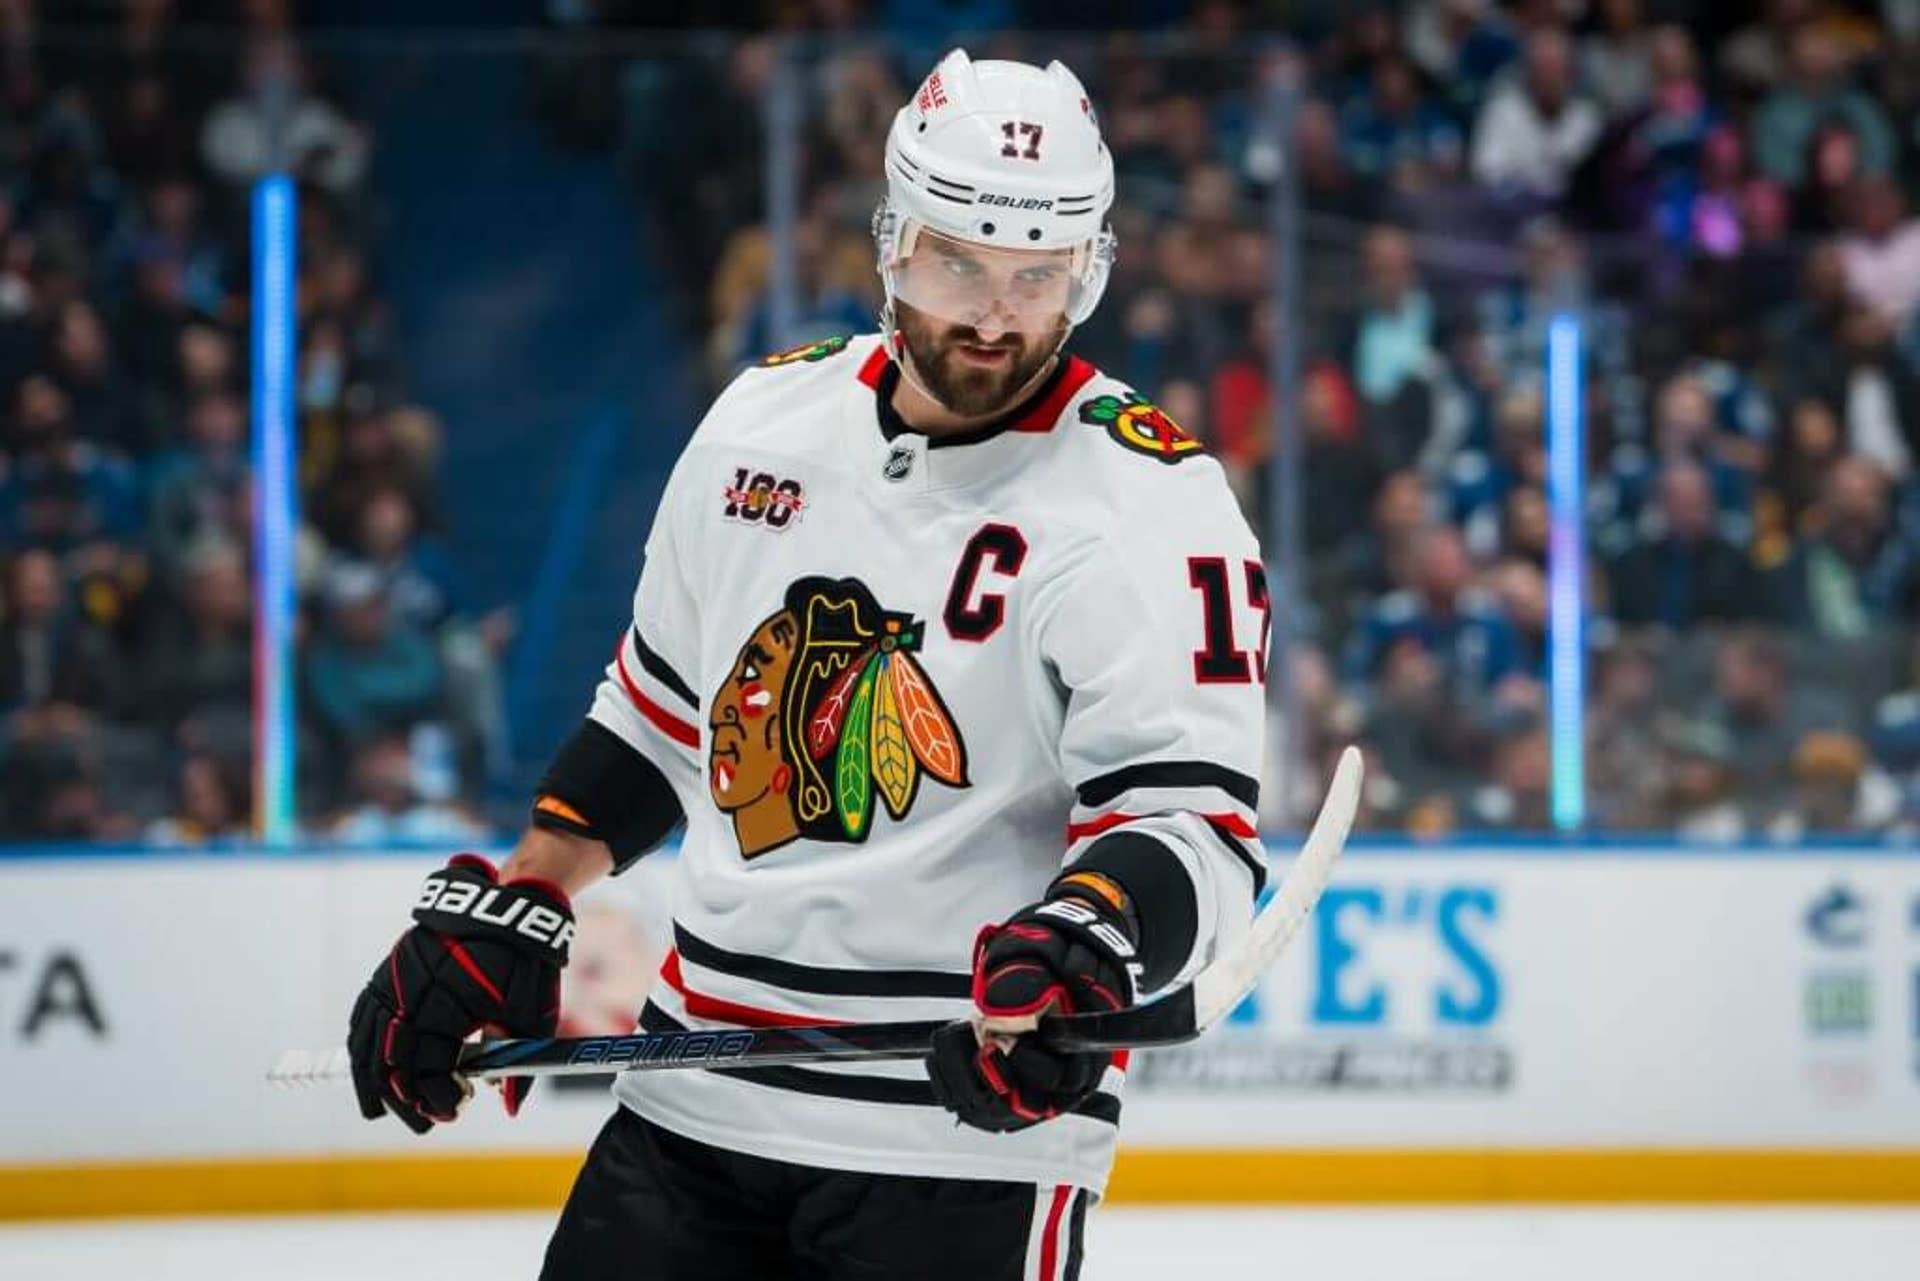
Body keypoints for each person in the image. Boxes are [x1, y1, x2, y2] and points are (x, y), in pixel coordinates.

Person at [345, 50, 1267, 1281]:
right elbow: (657, 722)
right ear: (892, 241)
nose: (995, 315)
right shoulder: (758, 427)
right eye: (959, 262)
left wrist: (1089, 940)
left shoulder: (1153, 504)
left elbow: (1196, 831)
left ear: (1088, 270)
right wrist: (529, 896)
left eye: (1035, 276)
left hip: (958, 1144)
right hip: (692, 1105)